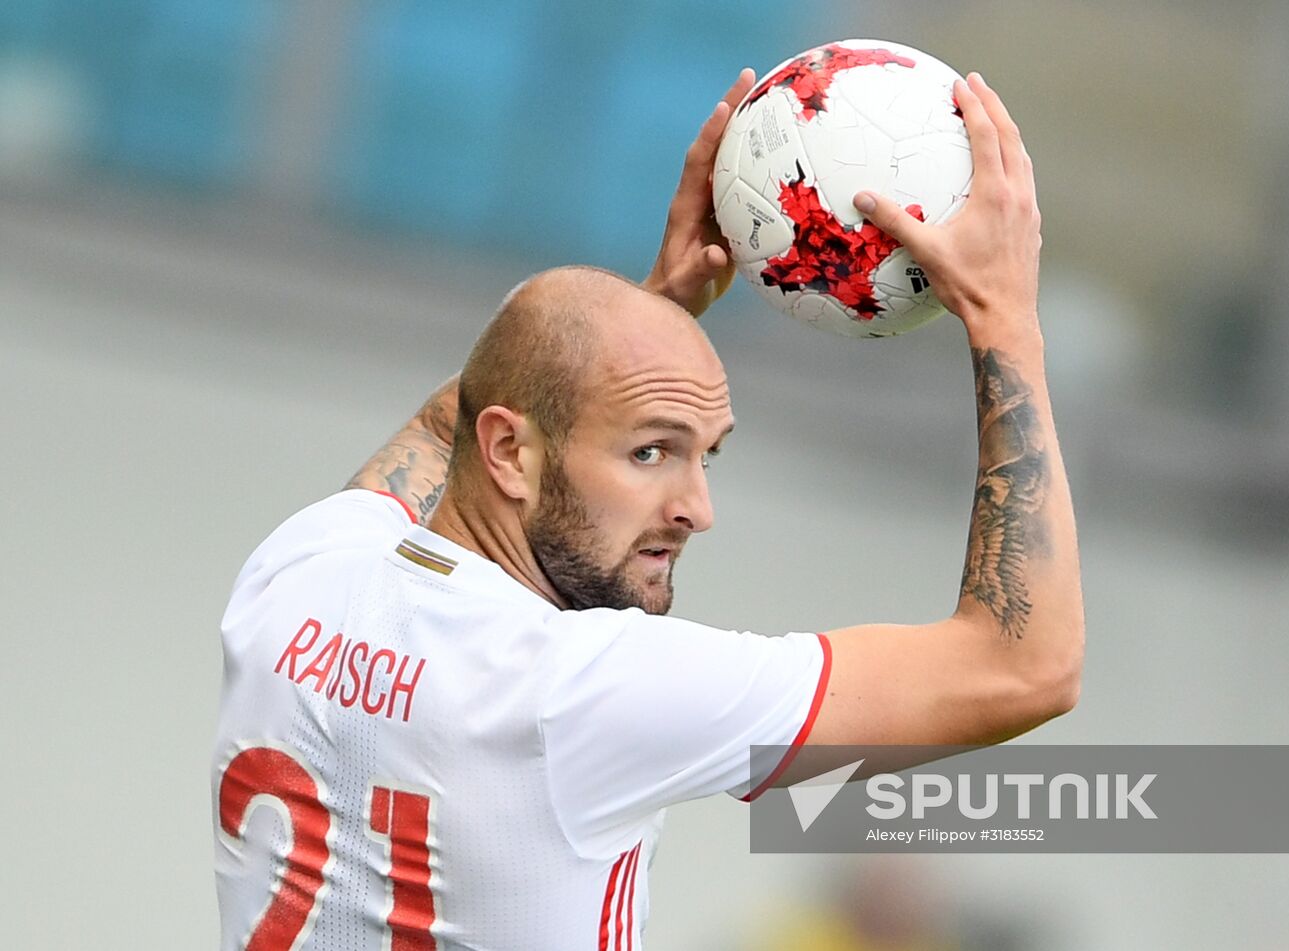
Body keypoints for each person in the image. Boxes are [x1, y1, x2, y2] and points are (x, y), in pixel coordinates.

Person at [211, 69, 1082, 950]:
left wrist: (641, 322)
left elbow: (466, 416)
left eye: (706, 455)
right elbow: (1024, 667)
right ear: (511, 453)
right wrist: (1002, 316)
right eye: (650, 452)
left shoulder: (301, 568)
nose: (697, 508)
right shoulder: (585, 688)